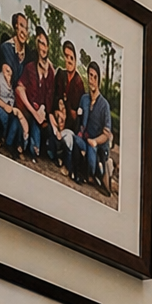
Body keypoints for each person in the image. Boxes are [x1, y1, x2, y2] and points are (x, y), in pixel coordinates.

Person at [72, 62, 112, 191]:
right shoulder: (84, 99)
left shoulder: (104, 105)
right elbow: (79, 122)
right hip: (84, 140)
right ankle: (77, 173)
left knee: (92, 158)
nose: (92, 80)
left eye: (95, 77)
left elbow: (107, 134)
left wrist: (95, 142)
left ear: (99, 80)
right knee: (74, 140)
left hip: (96, 146)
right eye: (90, 76)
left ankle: (97, 173)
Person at [16, 29, 55, 161]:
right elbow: (20, 89)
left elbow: (49, 100)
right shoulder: (30, 67)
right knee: (28, 140)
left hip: (40, 115)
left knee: (36, 146)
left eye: (45, 44)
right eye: (40, 43)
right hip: (29, 110)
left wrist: (43, 110)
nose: (43, 47)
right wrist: (34, 111)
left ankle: (36, 148)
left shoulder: (50, 73)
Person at [51, 41, 86, 173]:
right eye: (66, 56)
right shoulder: (60, 75)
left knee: (70, 141)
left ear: (75, 60)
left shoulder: (79, 83)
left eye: (71, 57)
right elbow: (55, 97)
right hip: (58, 117)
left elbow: (78, 113)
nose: (68, 60)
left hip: (71, 125)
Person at [0, 12, 34, 88]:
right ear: (16, 27)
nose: (24, 32)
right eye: (21, 26)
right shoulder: (5, 48)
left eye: (26, 28)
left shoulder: (29, 55)